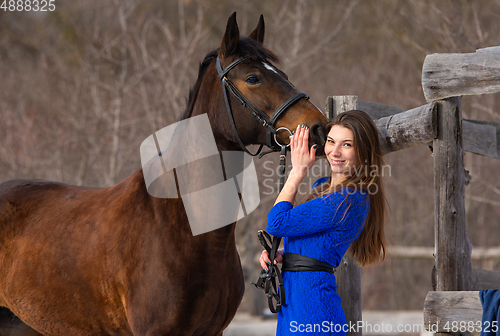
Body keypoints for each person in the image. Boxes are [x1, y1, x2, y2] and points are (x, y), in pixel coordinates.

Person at [259, 110, 387, 336]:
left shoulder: (347, 199)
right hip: (294, 306)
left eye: (346, 144)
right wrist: (285, 254)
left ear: (364, 152)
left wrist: (297, 170)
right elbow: (312, 239)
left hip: (314, 313)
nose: (334, 152)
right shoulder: (324, 188)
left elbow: (277, 222)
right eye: (331, 141)